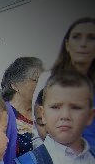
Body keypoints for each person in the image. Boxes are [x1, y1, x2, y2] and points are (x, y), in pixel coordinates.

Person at [31, 17, 95, 149]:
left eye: (91, 38)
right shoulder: (48, 79)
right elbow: (38, 128)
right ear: (67, 45)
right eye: (76, 37)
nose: (83, 43)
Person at [1, 57, 44, 159]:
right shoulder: (2, 114)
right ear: (15, 85)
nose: (42, 85)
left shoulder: (45, 112)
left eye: (43, 80)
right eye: (36, 80)